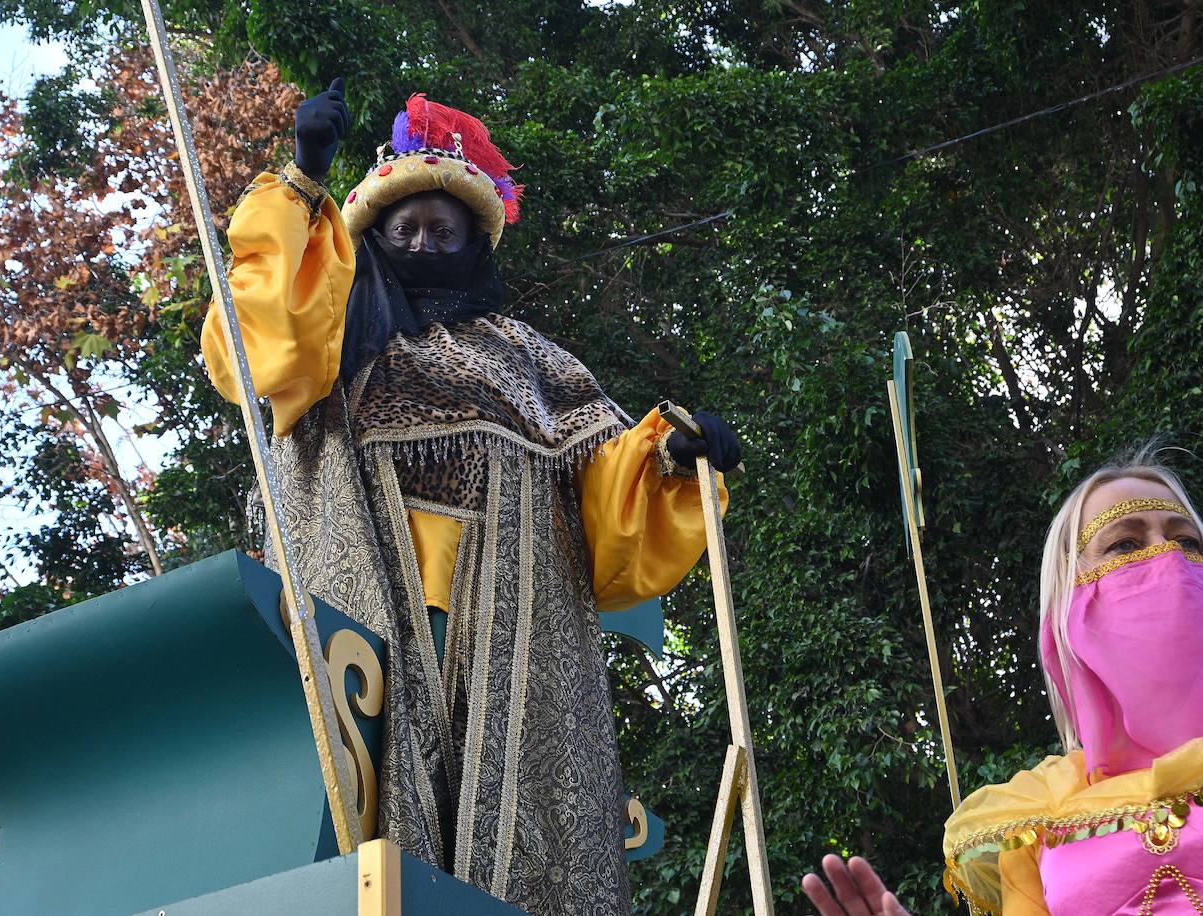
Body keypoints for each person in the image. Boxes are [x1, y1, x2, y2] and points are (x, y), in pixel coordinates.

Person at [201, 78, 741, 916]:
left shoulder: (532, 359)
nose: (422, 243)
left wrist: (671, 457)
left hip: (515, 631)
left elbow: (602, 504)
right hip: (366, 615)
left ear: (474, 244)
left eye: (441, 230)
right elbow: (260, 343)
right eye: (404, 229)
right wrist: (303, 179)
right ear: (371, 236)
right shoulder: (337, 332)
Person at [801, 451, 1203, 914]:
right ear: (1070, 599)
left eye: (1189, 541)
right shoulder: (1036, 817)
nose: (1167, 556)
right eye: (1125, 545)